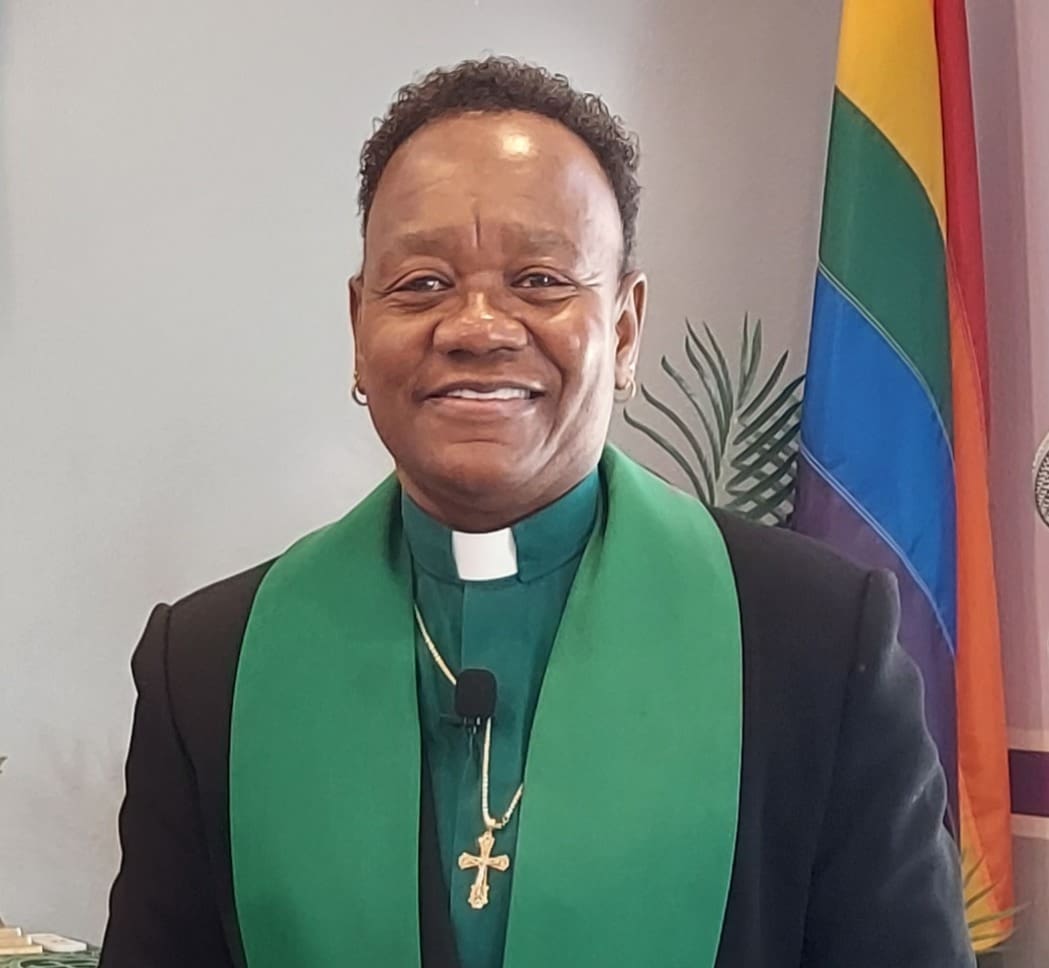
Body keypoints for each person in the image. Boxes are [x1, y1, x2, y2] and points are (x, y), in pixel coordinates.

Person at [100, 57, 974, 968]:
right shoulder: (211, 665)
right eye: (423, 284)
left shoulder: (815, 644)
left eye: (542, 281)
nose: (477, 327)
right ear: (359, 329)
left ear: (625, 329)